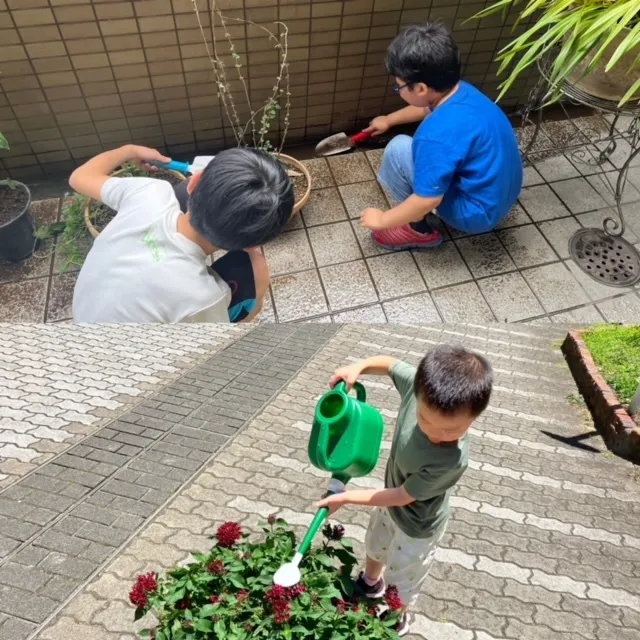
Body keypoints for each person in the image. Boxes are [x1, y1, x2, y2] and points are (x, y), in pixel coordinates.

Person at [317, 345, 493, 636]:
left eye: (451, 431)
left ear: (474, 419)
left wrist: (347, 498)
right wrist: (358, 366)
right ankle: (371, 583)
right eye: (425, 421)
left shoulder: (451, 460)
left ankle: (398, 615)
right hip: (388, 502)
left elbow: (402, 496)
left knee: (403, 578)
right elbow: (389, 364)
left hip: (417, 525)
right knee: (375, 544)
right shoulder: (417, 388)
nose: (436, 435)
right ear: (419, 393)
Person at [70, 144, 294, 323]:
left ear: (194, 181)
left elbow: (79, 177)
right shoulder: (203, 298)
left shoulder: (147, 193)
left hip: (85, 317)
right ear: (257, 240)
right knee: (254, 273)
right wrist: (259, 290)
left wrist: (130, 150)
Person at [359, 22, 523, 250]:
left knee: (398, 150)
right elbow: (426, 107)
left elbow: (428, 199)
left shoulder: (434, 136)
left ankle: (418, 230)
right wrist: (388, 120)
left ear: (421, 88)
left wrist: (382, 220)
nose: (398, 91)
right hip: (500, 196)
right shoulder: (462, 91)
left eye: (399, 87)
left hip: (475, 215)